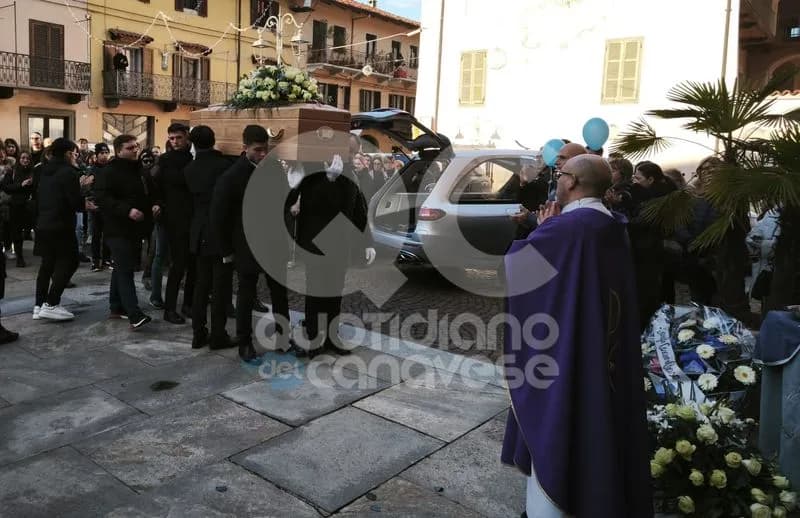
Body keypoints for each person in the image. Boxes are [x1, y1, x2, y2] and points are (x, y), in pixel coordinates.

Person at [501, 154, 652, 518]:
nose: (556, 180)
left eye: (561, 174)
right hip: (598, 343)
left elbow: (519, 270)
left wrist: (538, 231)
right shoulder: (609, 221)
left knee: (561, 421)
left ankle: (552, 505)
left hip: (567, 352)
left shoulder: (569, 228)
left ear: (571, 182)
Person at [211, 125, 291, 361]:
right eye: (257, 150)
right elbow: (219, 216)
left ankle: (283, 337)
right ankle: (244, 342)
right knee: (246, 295)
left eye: (266, 149)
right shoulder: (231, 176)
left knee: (280, 294)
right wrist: (226, 250)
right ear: (244, 148)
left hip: (274, 242)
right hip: (246, 244)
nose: (263, 154)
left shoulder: (275, 168)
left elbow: (285, 198)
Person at [288, 152, 376, 357]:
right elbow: (313, 206)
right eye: (352, 153)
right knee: (316, 292)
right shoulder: (311, 172)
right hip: (316, 246)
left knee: (335, 293)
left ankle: (331, 336)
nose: (355, 157)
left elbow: (357, 211)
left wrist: (368, 242)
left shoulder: (348, 176)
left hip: (339, 246)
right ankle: (313, 338)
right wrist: (329, 181)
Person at [94, 134, 156, 329]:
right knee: (125, 269)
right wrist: (127, 210)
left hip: (136, 229)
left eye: (136, 146)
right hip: (117, 229)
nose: (136, 149)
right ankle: (134, 313)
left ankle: (116, 307)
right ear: (119, 150)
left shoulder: (140, 170)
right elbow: (103, 198)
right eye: (130, 148)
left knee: (122, 267)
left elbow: (148, 193)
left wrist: (155, 205)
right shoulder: (110, 172)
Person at [184, 126, 236, 349]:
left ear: (192, 143)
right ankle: (218, 335)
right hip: (220, 232)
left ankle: (198, 332)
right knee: (221, 287)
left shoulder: (189, 169)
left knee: (200, 285)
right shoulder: (224, 166)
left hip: (199, 231)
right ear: (214, 140)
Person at [32, 138, 83, 321]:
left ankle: (38, 306)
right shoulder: (68, 172)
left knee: (47, 265)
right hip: (61, 225)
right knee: (70, 261)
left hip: (43, 223)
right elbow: (75, 202)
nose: (76, 156)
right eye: (75, 153)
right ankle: (51, 303)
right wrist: (83, 189)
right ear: (69, 153)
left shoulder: (43, 170)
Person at [154, 123, 195, 324]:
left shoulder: (192, 157)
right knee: (178, 264)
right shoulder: (165, 160)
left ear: (187, 137)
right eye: (172, 138)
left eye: (178, 137)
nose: (175, 142)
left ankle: (188, 304)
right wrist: (159, 204)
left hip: (191, 216)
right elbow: (157, 186)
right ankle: (170, 308)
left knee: (193, 264)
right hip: (174, 218)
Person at [629, 161, 676, 330]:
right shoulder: (646, 194)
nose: (635, 181)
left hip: (651, 252)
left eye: (638, 177)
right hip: (649, 251)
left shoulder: (657, 199)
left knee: (651, 293)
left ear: (650, 180)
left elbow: (640, 222)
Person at [1, 150, 34, 267]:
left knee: (30, 231)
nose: (25, 160)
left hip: (29, 206)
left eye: (27, 159)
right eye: (23, 158)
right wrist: (21, 184)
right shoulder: (13, 171)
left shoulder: (33, 171)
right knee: (16, 232)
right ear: (19, 159)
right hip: (16, 206)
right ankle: (20, 257)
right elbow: (6, 187)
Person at [88, 143, 112, 272]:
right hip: (96, 207)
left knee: (108, 234)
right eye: (101, 153)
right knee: (96, 235)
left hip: (108, 206)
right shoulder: (92, 169)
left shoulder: (111, 168)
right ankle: (95, 261)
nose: (104, 155)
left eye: (106, 153)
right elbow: (87, 188)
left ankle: (107, 259)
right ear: (96, 155)